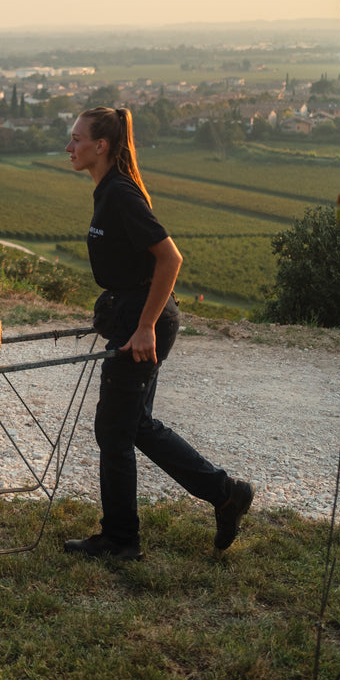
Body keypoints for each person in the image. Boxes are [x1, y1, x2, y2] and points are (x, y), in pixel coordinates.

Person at [63, 106, 253, 560]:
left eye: (76, 139)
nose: (69, 147)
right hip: (136, 316)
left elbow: (170, 259)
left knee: (114, 429)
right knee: (136, 426)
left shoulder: (121, 194)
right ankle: (226, 493)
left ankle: (121, 540)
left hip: (144, 321)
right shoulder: (107, 189)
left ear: (100, 146)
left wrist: (145, 326)